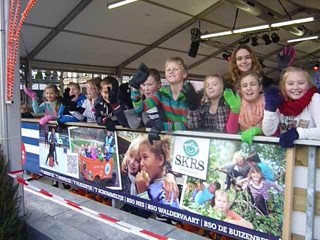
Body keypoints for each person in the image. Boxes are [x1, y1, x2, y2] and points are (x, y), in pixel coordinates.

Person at [129, 57, 195, 143]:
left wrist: (162, 126)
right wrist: (135, 88)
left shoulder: (189, 94)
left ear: (184, 74)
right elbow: (140, 108)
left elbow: (187, 125)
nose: (171, 71)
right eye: (168, 70)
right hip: (172, 138)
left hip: (190, 139)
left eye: (175, 69)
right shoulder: (162, 92)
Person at [262, 67, 320, 148]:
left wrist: (298, 133)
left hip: (310, 154)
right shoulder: (280, 100)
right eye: (290, 84)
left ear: (308, 85)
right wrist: (270, 109)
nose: (295, 87)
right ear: (284, 87)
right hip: (287, 154)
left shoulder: (315, 98)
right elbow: (268, 132)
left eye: (301, 83)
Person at [135, 136, 180, 208]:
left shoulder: (167, 190)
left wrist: (142, 193)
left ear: (160, 160)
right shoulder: (144, 182)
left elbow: (158, 218)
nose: (141, 163)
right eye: (140, 159)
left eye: (145, 157)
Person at [225, 71, 265, 144]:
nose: (249, 88)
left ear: (260, 88)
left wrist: (257, 129)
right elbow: (231, 131)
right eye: (244, 85)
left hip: (265, 144)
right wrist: (235, 110)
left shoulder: (267, 102)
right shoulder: (237, 103)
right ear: (240, 90)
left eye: (253, 84)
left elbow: (273, 129)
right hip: (243, 144)